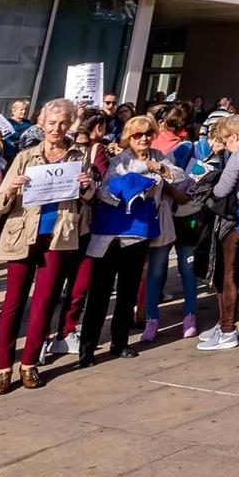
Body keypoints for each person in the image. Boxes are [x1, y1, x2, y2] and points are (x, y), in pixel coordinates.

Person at [0, 99, 96, 393]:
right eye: (51, 123)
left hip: (58, 234)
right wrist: (12, 187)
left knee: (45, 300)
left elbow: (86, 198)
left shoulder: (79, 155)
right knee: (13, 302)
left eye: (63, 123)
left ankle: (29, 363)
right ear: (41, 124)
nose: (57, 129)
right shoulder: (25, 156)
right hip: (23, 233)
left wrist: (87, 185)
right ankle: (2, 367)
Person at [78, 115, 183, 367]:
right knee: (100, 293)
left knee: (128, 291)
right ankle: (88, 348)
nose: (144, 139)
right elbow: (106, 192)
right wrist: (140, 175)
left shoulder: (159, 156)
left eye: (148, 133)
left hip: (139, 231)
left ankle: (120, 342)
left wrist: (159, 168)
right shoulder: (119, 160)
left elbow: (179, 177)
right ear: (128, 137)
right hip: (110, 234)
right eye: (137, 135)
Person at [197, 114, 239, 353]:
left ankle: (228, 328)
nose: (225, 144)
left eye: (226, 140)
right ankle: (224, 324)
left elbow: (221, 189)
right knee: (237, 272)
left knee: (226, 275)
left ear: (235, 136)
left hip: (234, 219)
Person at [144, 108, 207, 343]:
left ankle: (156, 319)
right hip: (176, 213)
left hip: (172, 214)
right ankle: (185, 317)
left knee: (159, 270)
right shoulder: (174, 147)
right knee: (181, 269)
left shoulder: (183, 147)